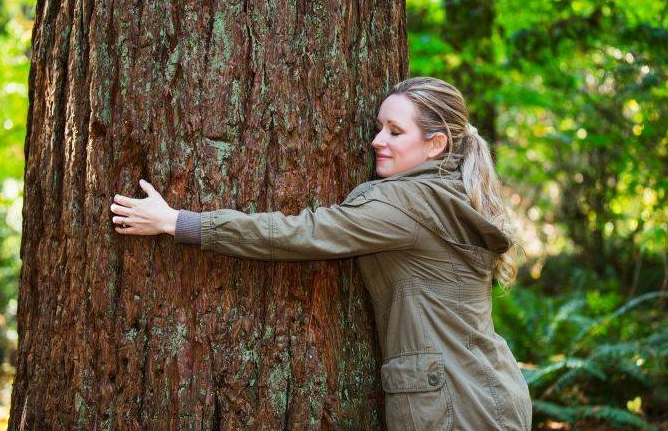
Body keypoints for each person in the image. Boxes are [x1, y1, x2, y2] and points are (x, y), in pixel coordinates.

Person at [109, 76, 531, 431]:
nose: (376, 140)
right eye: (380, 127)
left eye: (395, 132)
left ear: (436, 144)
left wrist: (179, 222)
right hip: (488, 391)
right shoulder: (447, 193)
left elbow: (303, 234)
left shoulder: (408, 204)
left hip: (456, 408)